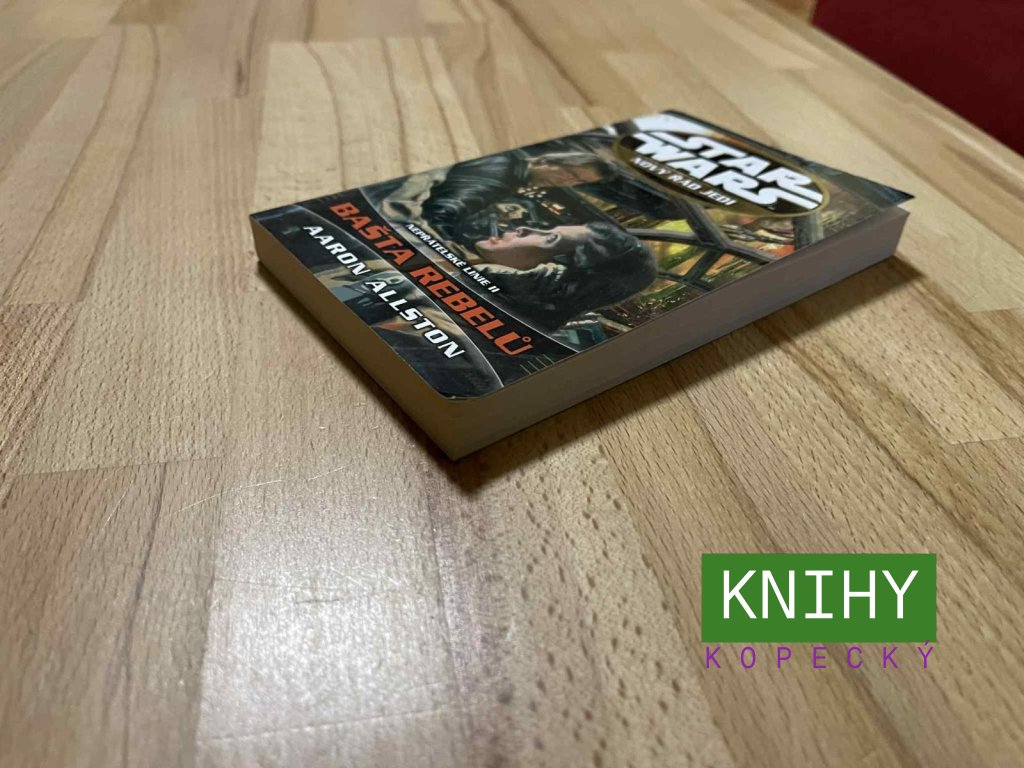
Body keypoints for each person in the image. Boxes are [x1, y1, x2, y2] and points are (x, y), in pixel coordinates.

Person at [472, 222, 658, 332]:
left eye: (550, 238)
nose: (523, 228)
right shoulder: (535, 323)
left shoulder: (483, 283)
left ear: (554, 270)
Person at [421, 151, 617, 239]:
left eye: (578, 182)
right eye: (569, 173)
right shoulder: (502, 178)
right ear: (547, 161)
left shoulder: (508, 165)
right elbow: (441, 213)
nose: (567, 182)